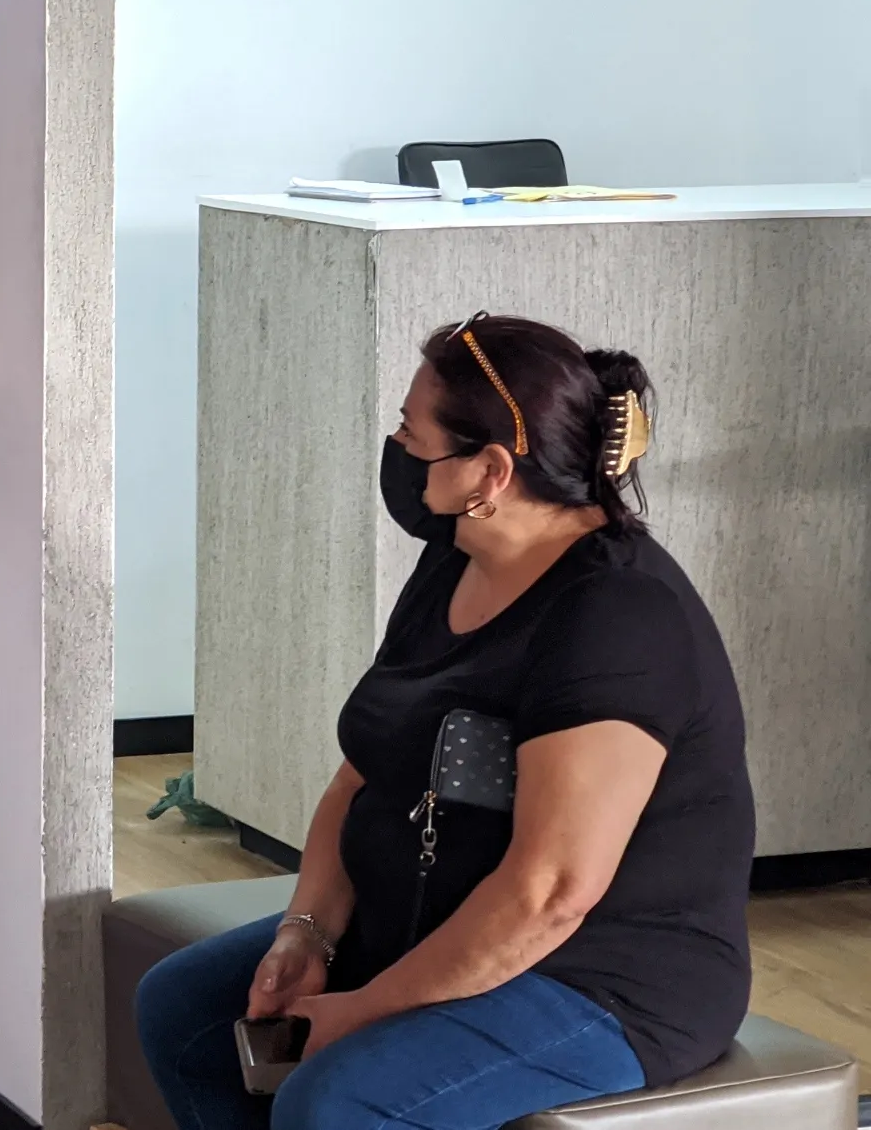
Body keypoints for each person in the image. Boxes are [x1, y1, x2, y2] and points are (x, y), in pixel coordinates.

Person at [137, 313, 754, 1130]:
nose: (395, 447)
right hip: (437, 915)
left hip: (602, 978)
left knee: (338, 1097)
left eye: (411, 432)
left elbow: (551, 895)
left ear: (490, 470)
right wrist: (307, 936)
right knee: (183, 1012)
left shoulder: (616, 619)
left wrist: (363, 1010)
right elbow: (364, 773)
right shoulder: (457, 558)